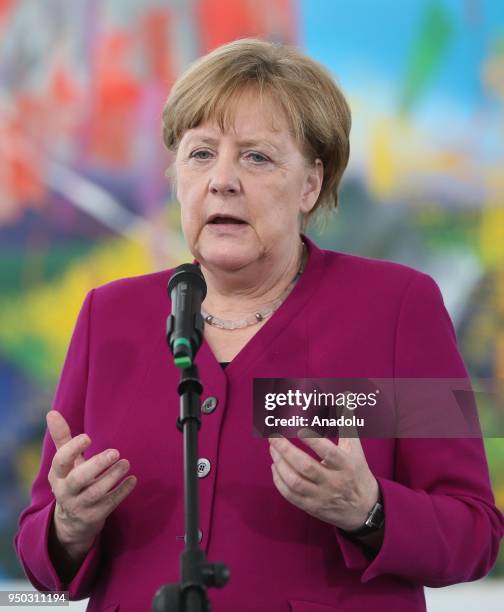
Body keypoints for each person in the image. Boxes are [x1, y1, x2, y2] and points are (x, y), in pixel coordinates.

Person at [14, 38, 503, 612]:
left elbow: (475, 532)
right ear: (177, 178)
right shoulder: (108, 314)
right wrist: (68, 524)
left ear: (311, 185)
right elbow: (39, 555)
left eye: (257, 157)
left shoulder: (398, 306)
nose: (222, 180)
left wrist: (368, 509)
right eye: (200, 154)